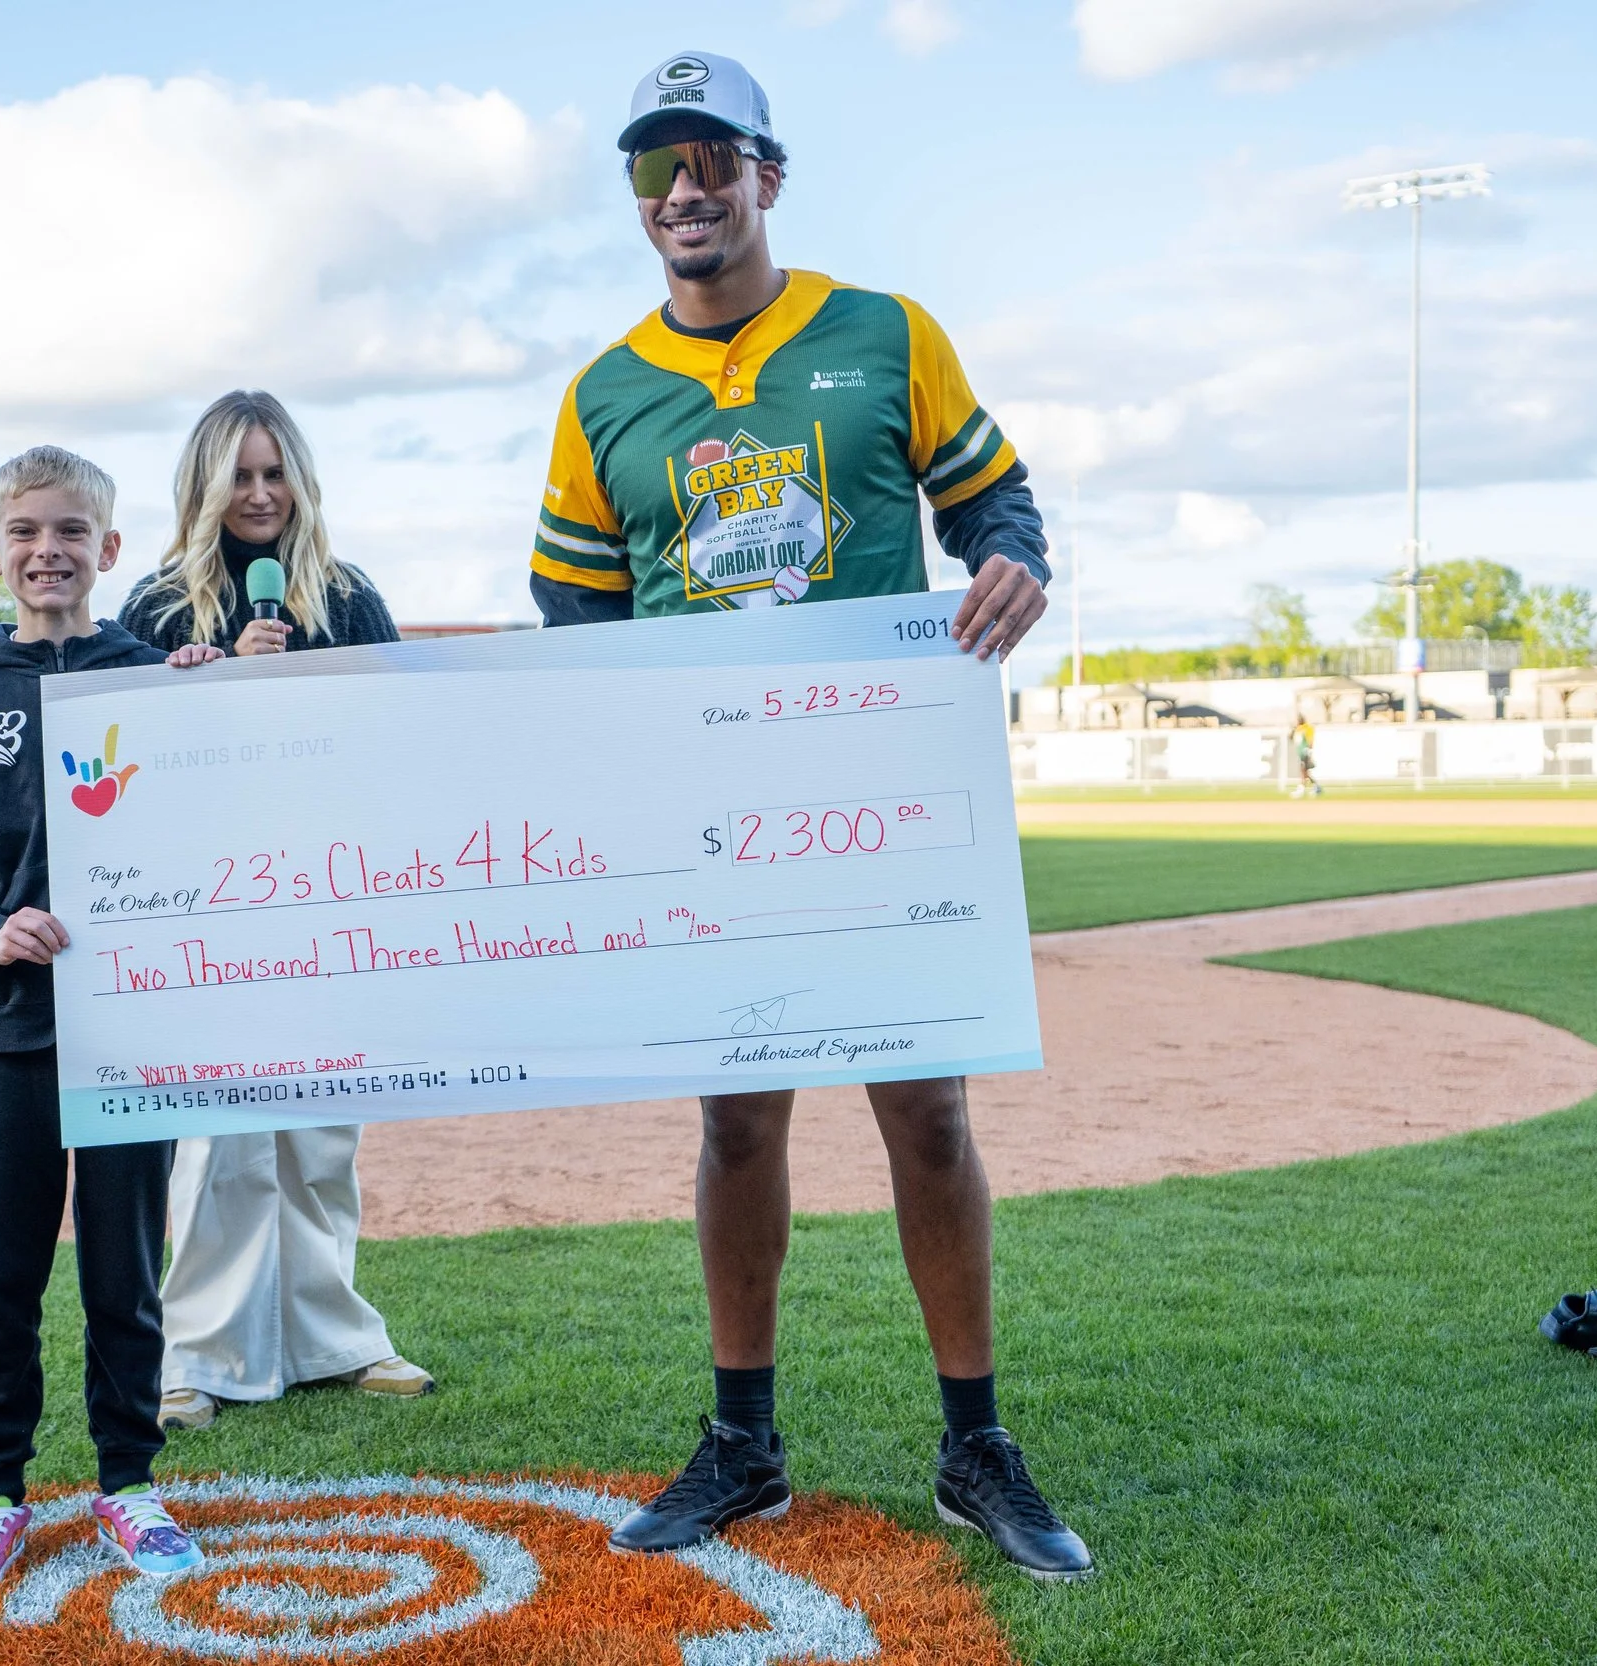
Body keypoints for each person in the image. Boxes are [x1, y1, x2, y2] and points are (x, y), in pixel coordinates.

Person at [527, 51, 1088, 1581]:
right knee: (734, 1118)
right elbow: (574, 609)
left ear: (770, 175)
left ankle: (974, 1439)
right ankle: (743, 1442)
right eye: (655, 169)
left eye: (711, 158)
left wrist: (1010, 563)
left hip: (880, 793)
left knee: (927, 1110)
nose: (683, 190)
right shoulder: (604, 394)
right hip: (709, 817)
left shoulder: (885, 333)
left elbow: (995, 502)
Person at [0, 444, 225, 1600]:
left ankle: (127, 1480)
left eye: (71, 532)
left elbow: (222, 814)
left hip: (130, 1028)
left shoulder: (152, 680)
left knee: (124, 1270)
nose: (48, 551)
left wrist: (206, 699)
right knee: (3, 1269)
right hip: (9, 1033)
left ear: (109, 550)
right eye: (25, 532)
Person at [118, 391, 431, 1433]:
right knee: (219, 1137)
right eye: (238, 475)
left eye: (273, 471)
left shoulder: (346, 595)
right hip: (209, 907)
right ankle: (198, 1352)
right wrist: (205, 695)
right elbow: (122, 764)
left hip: (328, 896)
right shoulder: (158, 605)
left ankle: (332, 1335)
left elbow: (398, 738)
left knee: (319, 1133)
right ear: (204, 485)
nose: (259, 494)